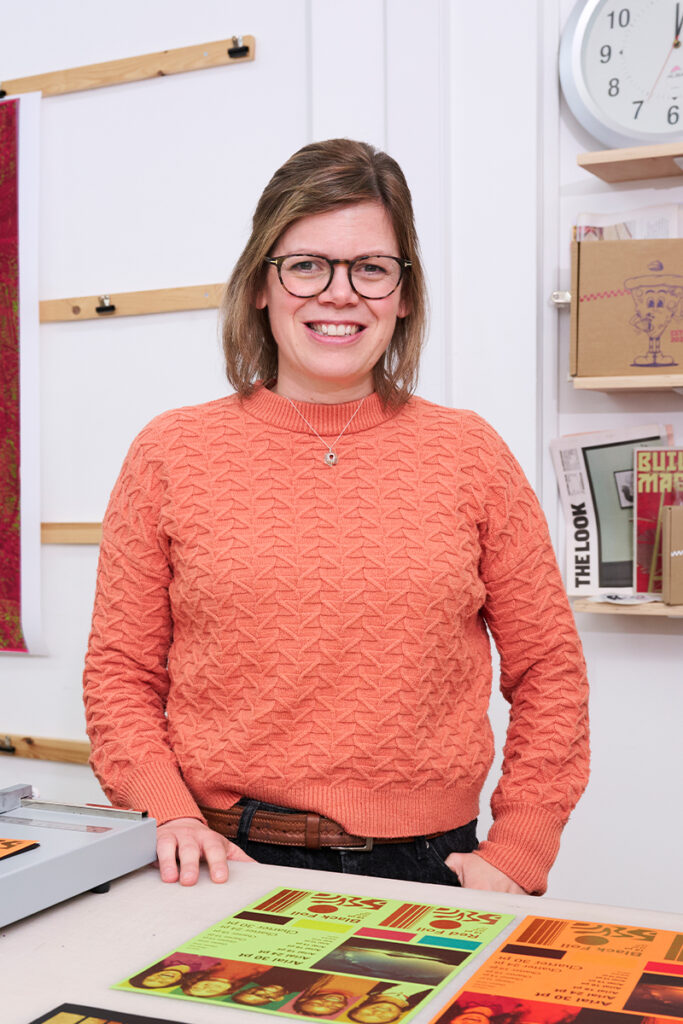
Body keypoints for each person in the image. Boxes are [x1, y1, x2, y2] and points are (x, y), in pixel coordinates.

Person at [83, 138, 589, 896]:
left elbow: (549, 669)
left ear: (404, 294)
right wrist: (166, 812)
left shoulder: (470, 453)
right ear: (262, 284)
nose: (339, 293)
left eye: (370, 268)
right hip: (218, 857)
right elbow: (120, 672)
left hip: (429, 867)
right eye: (307, 265)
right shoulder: (170, 451)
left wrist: (519, 847)